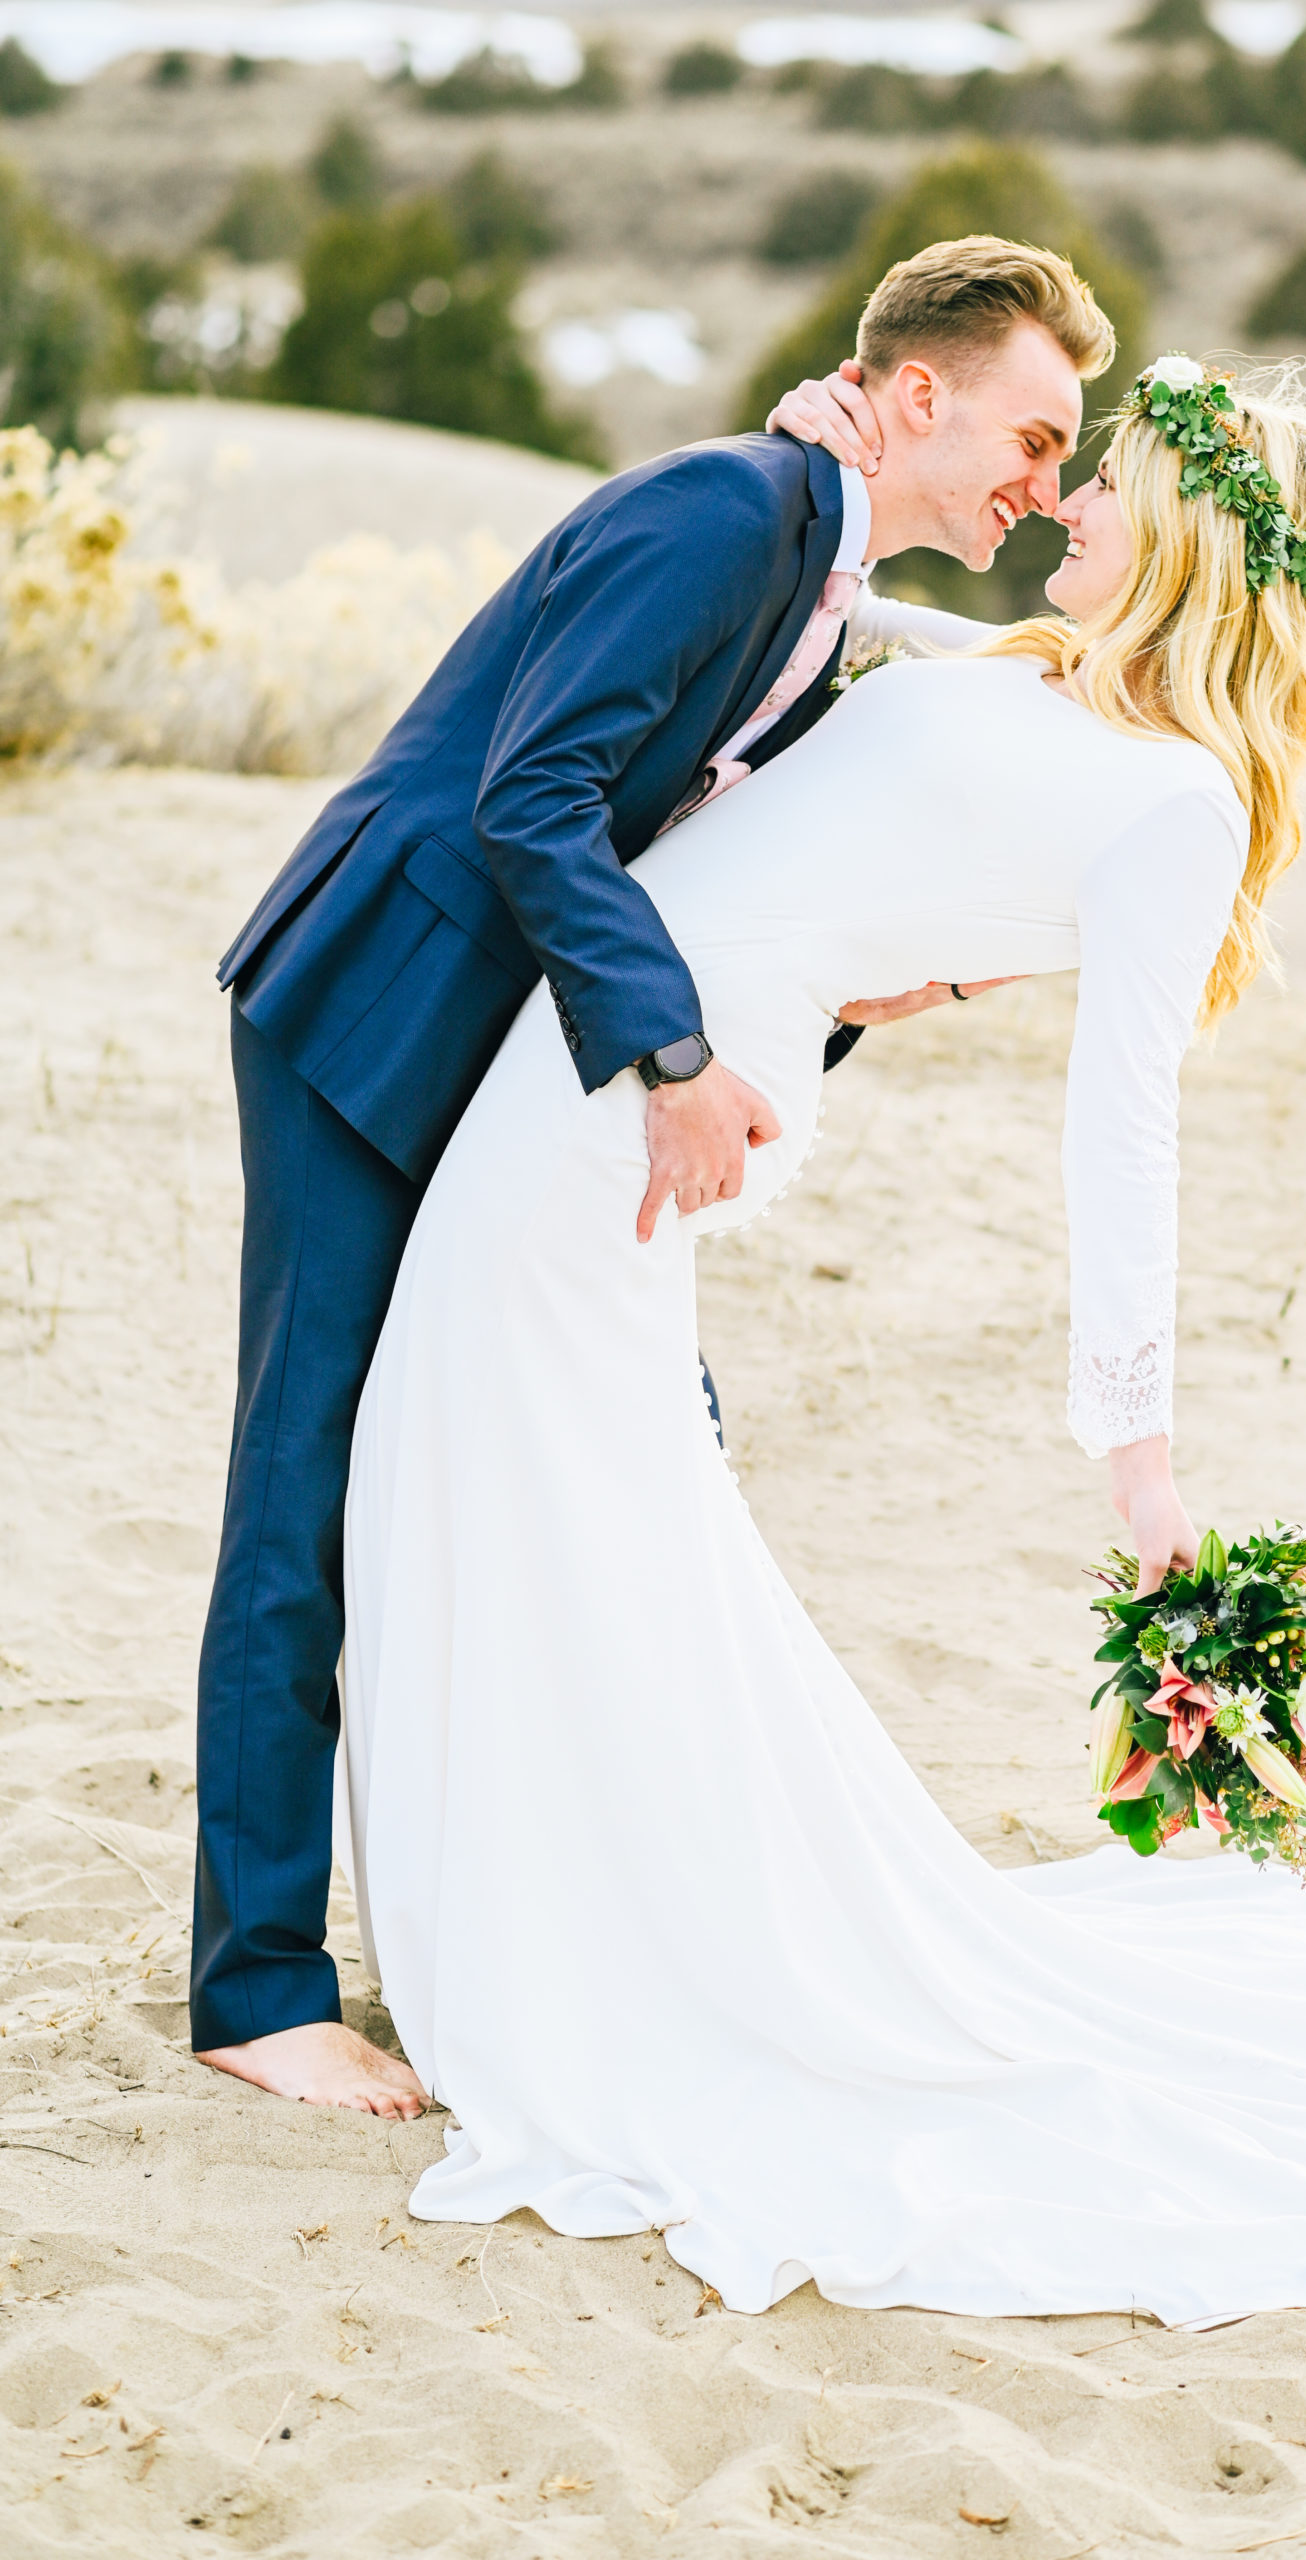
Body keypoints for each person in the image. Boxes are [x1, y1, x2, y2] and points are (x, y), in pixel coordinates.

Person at [339, 350, 1306, 2322]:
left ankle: (578, 1933)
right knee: (524, 1453)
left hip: (655, 1091)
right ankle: (545, 1900)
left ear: (1177, 529)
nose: (1066, 503)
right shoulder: (1019, 675)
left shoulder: (1173, 805)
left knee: (538, 1452)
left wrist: (1141, 1458)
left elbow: (1125, 1129)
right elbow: (843, 732)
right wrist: (834, 478)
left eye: (1102, 486)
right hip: (617, 1034)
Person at [192, 236, 1113, 2115]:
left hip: (508, 1057)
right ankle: (257, 1989)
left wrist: (856, 996)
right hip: (378, 1009)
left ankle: (588, 1920)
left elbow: (688, 851)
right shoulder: (723, 508)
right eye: (1030, 434)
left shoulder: (817, 569)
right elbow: (535, 791)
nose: (1040, 485)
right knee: (308, 1471)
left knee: (629, 1439)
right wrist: (675, 1065)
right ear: (916, 393)